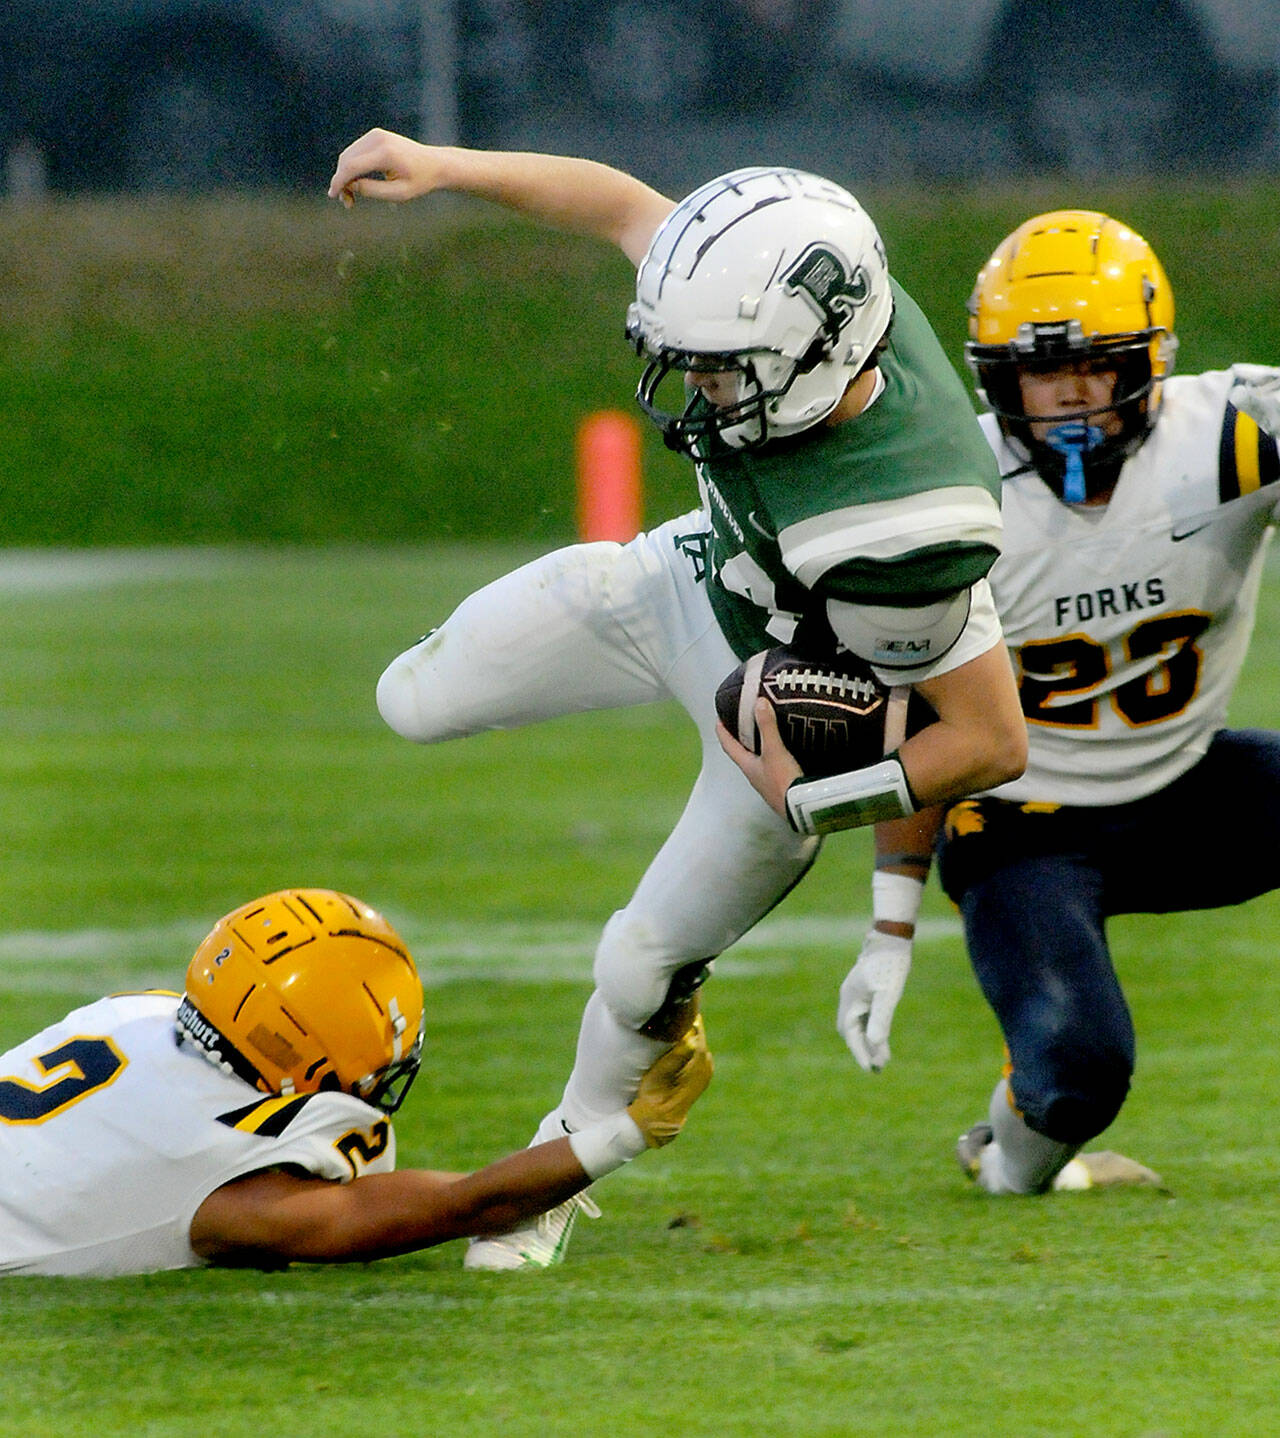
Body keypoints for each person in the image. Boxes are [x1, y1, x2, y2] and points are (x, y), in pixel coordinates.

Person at [328, 130, 1026, 1267]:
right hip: (691, 576)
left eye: (719, 369)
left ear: (820, 353)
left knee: (633, 963)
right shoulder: (775, 290)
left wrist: (820, 793)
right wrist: (442, 163)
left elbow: (990, 737)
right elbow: (613, 203)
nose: (695, 388)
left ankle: (554, 1168)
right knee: (412, 695)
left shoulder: (908, 520)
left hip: (791, 702)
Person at [837, 209, 1280, 1194]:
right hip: (1020, 823)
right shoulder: (956, 495)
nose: (1071, 394)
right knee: (1076, 1075)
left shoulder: (1230, 433)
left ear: (1149, 362)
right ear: (999, 379)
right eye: (1044, 370)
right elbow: (912, 715)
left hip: (1188, 786)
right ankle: (1009, 1153)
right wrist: (889, 919)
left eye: (1096, 363)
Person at [0, 887, 711, 1276]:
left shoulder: (140, 1013)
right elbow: (459, 1208)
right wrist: (625, 1133)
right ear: (301, 1066)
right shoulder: (225, 1190)